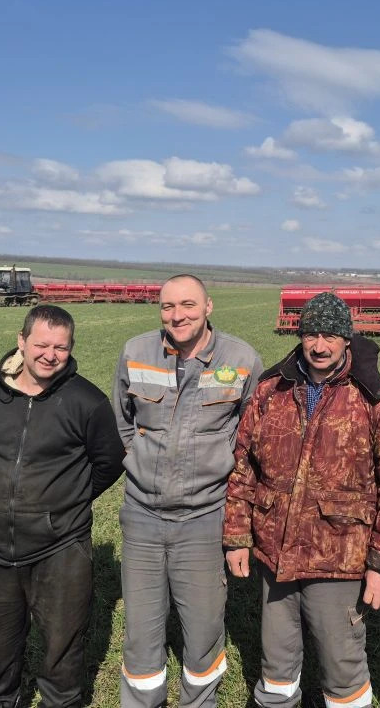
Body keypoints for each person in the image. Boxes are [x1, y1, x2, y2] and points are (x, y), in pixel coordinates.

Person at [224, 292, 380, 708]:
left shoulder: (377, 398)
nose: (319, 345)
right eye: (311, 334)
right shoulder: (271, 390)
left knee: (341, 664)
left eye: (330, 335)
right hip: (275, 555)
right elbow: (243, 467)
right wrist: (237, 536)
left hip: (339, 558)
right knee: (276, 662)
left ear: (347, 339)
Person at [0, 304, 126, 708]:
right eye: (41, 344)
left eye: (61, 347)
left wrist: (63, 502)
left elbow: (109, 461)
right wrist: (2, 497)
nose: (50, 355)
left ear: (71, 348)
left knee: (61, 651)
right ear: (22, 341)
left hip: (61, 550)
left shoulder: (87, 401)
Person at [112, 274, 263, 708]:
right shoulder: (135, 352)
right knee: (141, 629)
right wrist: (139, 458)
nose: (177, 315)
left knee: (203, 629)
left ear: (208, 307)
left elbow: (251, 436)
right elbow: (122, 420)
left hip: (205, 518)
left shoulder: (242, 359)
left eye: (188, 305)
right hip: (142, 516)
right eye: (168, 306)